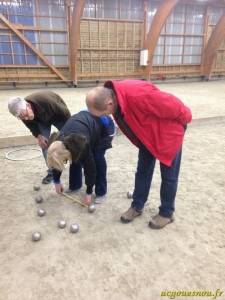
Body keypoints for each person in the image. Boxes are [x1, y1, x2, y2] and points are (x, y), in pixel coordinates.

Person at [85, 80, 192, 229]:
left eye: (103, 114)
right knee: (142, 172)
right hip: (147, 137)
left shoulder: (138, 95)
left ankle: (167, 213)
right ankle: (137, 206)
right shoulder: (116, 98)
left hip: (167, 135)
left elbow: (174, 105)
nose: (105, 116)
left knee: (169, 176)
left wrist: (184, 123)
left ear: (109, 103)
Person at [46, 110, 114, 206]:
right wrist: (57, 181)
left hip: (103, 124)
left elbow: (90, 168)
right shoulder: (56, 143)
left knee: (97, 159)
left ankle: (100, 192)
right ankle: (75, 185)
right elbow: (56, 161)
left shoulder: (81, 144)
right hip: (84, 123)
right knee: (74, 156)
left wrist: (88, 192)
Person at [8, 90, 71, 184]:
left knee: (71, 140)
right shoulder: (23, 113)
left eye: (25, 115)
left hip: (58, 117)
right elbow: (30, 125)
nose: (25, 119)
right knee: (44, 145)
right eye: (22, 118)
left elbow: (66, 114)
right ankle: (51, 172)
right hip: (41, 121)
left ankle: (79, 165)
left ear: (28, 105)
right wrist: (38, 135)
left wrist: (67, 131)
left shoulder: (47, 101)